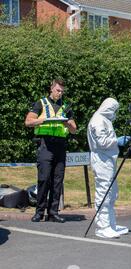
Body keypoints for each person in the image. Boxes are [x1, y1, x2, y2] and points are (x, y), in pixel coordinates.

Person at [25, 79, 77, 223]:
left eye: (62, 91)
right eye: (57, 90)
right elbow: (28, 121)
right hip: (45, 145)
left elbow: (74, 130)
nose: (60, 93)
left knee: (57, 180)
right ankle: (39, 212)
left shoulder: (65, 106)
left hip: (60, 145)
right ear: (51, 89)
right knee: (44, 179)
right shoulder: (40, 103)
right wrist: (43, 120)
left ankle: (53, 213)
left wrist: (66, 121)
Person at [87, 98, 131, 239]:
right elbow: (102, 142)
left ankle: (111, 224)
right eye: (113, 109)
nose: (114, 113)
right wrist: (117, 141)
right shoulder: (98, 120)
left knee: (111, 193)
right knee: (104, 193)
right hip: (101, 160)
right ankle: (102, 227)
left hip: (108, 160)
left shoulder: (105, 119)